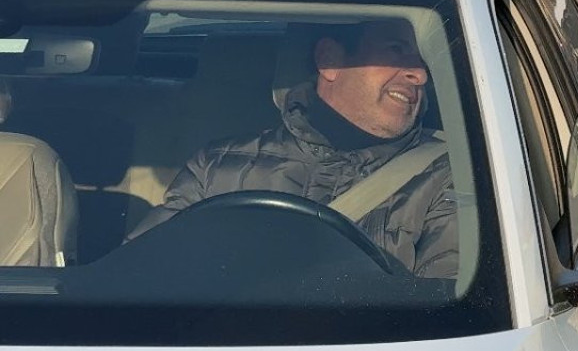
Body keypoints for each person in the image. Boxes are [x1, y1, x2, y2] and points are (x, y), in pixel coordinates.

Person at [131, 19, 457, 279]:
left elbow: (446, 312)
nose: (420, 74)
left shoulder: (448, 176)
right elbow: (138, 274)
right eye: (397, 50)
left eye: (423, 60)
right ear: (329, 60)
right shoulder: (216, 166)